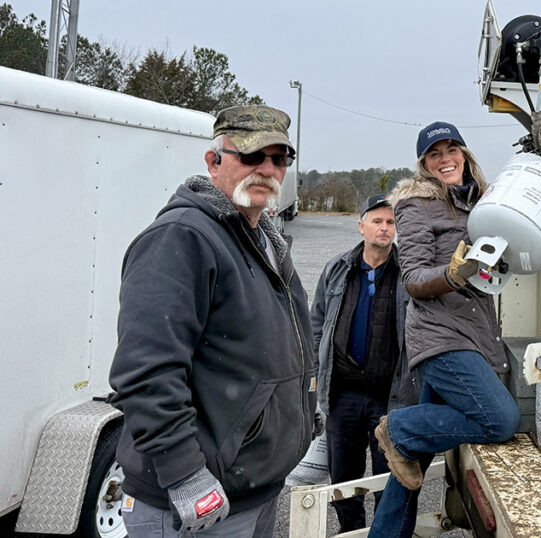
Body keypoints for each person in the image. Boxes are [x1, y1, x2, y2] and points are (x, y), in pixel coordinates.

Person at [109, 105, 318, 537]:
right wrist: (184, 474)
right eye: (251, 156)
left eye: (279, 159)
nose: (266, 169)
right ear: (213, 160)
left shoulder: (264, 241)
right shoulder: (183, 237)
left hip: (253, 490)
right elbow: (147, 371)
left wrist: (302, 412)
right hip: (193, 504)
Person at [368, 121, 520, 537]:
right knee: (500, 419)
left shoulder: (480, 204)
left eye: (452, 149)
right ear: (423, 165)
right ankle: (396, 427)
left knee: (414, 455)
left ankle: (385, 533)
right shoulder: (416, 204)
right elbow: (414, 279)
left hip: (473, 333)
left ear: (465, 155)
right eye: (434, 154)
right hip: (442, 338)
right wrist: (455, 273)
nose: (445, 159)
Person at [310, 194, 417, 531]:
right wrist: (316, 369)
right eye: (377, 221)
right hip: (343, 393)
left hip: (389, 395)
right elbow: (317, 322)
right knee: (343, 474)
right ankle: (350, 530)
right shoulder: (338, 268)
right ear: (361, 226)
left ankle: (384, 532)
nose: (384, 228)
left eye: (390, 223)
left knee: (389, 475)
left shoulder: (408, 274)